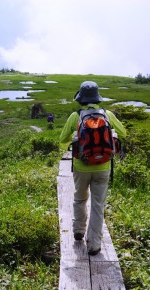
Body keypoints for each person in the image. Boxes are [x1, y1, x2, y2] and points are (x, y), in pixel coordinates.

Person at [59, 81, 126, 256]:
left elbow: (62, 138)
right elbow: (124, 134)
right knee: (98, 205)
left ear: (81, 98)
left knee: (80, 199)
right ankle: (95, 245)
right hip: (103, 167)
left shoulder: (76, 116)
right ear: (97, 98)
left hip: (82, 166)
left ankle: (78, 231)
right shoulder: (107, 114)